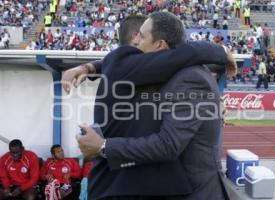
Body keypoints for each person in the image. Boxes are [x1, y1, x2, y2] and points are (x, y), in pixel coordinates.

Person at [68, 13, 236, 199]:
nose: (136, 40)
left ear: (160, 45)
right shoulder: (160, 71)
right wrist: (89, 67)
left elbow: (168, 144)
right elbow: (116, 64)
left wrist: (103, 146)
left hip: (196, 192)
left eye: (142, 35)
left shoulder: (190, 78)